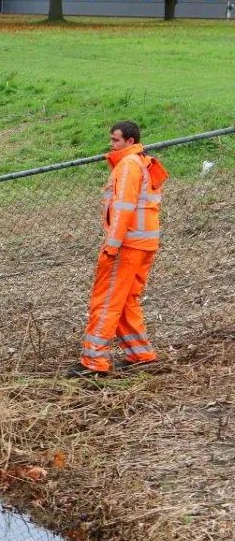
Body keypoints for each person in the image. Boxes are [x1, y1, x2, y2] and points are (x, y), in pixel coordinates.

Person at [71, 120, 168, 376]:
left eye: (115, 140)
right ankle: (140, 355)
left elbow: (123, 209)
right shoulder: (143, 163)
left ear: (130, 142)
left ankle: (92, 362)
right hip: (144, 244)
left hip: (127, 246)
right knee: (125, 300)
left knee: (106, 301)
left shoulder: (128, 166)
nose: (110, 144)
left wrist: (111, 247)